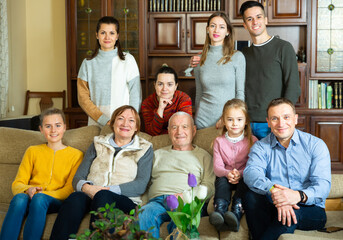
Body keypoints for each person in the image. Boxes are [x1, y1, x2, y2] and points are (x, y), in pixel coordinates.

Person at [50, 105, 153, 240]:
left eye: (131, 120)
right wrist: (88, 188)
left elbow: (140, 185)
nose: (125, 124)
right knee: (75, 197)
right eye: (120, 118)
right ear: (113, 123)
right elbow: (78, 178)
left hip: (125, 200)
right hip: (92, 194)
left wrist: (105, 190)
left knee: (104, 196)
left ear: (136, 128)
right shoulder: (97, 143)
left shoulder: (144, 148)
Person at [243, 98, 331, 240]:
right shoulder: (260, 147)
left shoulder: (315, 145)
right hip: (274, 203)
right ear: (268, 122)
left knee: (290, 214)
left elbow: (323, 187)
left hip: (310, 209)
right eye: (275, 118)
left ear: (295, 119)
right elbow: (251, 173)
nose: (281, 123)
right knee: (250, 197)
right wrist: (275, 191)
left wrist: (297, 196)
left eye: (286, 117)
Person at [0, 108, 83, 240]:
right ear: (41, 129)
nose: (53, 130)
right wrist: (29, 189)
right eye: (48, 126)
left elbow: (68, 189)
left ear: (65, 128)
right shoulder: (32, 151)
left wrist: (42, 194)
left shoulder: (76, 155)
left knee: (39, 199)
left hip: (54, 200)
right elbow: (17, 184)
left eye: (58, 125)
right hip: (31, 196)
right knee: (19, 199)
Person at [139, 112, 215, 238]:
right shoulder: (156, 155)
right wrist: (143, 203)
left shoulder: (204, 156)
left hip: (186, 202)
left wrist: (188, 196)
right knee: (144, 214)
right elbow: (144, 184)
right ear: (168, 131)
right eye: (174, 127)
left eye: (185, 127)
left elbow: (210, 186)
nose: (179, 132)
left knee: (183, 221)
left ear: (194, 130)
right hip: (157, 202)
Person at [239, 1, 301, 139]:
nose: (255, 22)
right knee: (247, 161)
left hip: (272, 124)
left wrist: (280, 119)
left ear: (266, 20)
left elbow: (293, 88)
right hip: (246, 124)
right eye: (249, 19)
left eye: (258, 17)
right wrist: (201, 59)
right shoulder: (243, 54)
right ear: (245, 25)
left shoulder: (283, 48)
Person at [77, 16, 141, 126]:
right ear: (97, 35)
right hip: (96, 123)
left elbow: (135, 95)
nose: (107, 37)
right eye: (103, 33)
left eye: (112, 33)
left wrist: (130, 121)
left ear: (117, 36)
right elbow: (83, 99)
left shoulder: (128, 60)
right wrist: (104, 120)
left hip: (123, 125)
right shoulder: (87, 63)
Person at [209, 99, 257, 232]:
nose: (235, 123)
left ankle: (236, 212)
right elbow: (217, 167)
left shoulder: (253, 141)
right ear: (223, 121)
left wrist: (240, 174)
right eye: (230, 119)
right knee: (221, 182)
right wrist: (227, 173)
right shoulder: (219, 142)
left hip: (244, 177)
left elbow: (252, 167)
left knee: (247, 181)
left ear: (246, 121)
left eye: (239, 119)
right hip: (225, 176)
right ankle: (220, 210)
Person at [193, 12, 245, 129]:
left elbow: (240, 93)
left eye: (221, 27)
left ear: (227, 32)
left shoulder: (237, 57)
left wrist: (228, 118)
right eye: (213, 26)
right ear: (207, 29)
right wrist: (196, 120)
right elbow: (199, 93)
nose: (216, 30)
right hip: (202, 121)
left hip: (228, 121)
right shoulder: (199, 59)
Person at [141, 65, 192, 136]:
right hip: (157, 141)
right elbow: (151, 133)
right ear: (155, 85)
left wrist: (163, 132)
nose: (164, 88)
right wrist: (160, 109)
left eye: (170, 84)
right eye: (160, 84)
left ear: (176, 86)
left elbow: (185, 128)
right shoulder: (147, 103)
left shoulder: (183, 99)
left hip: (178, 139)